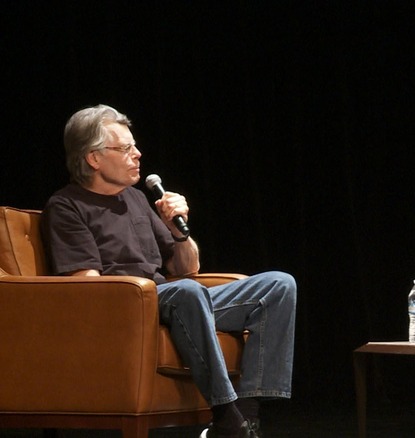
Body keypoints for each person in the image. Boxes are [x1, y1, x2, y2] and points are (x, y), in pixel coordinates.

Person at [41, 104, 297, 438]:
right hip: (128, 307)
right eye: (125, 148)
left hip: (172, 302)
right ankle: (226, 417)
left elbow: (186, 268)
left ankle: (247, 417)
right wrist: (142, 293)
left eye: (134, 146)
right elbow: (87, 286)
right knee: (185, 292)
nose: (138, 153)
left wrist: (179, 230)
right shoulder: (66, 206)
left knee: (279, 285)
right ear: (93, 158)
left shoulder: (134, 199)